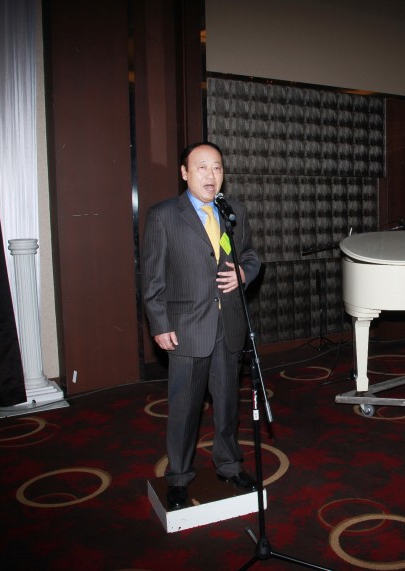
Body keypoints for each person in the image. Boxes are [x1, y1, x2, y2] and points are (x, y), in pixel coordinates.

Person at [141, 141, 262, 510]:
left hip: (228, 325)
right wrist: (159, 323)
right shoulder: (164, 215)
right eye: (202, 167)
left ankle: (229, 464)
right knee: (184, 410)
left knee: (227, 406)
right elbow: (152, 277)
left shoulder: (233, 210)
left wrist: (244, 272)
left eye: (218, 167)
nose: (212, 175)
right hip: (186, 329)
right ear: (184, 173)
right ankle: (178, 477)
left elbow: (251, 255)